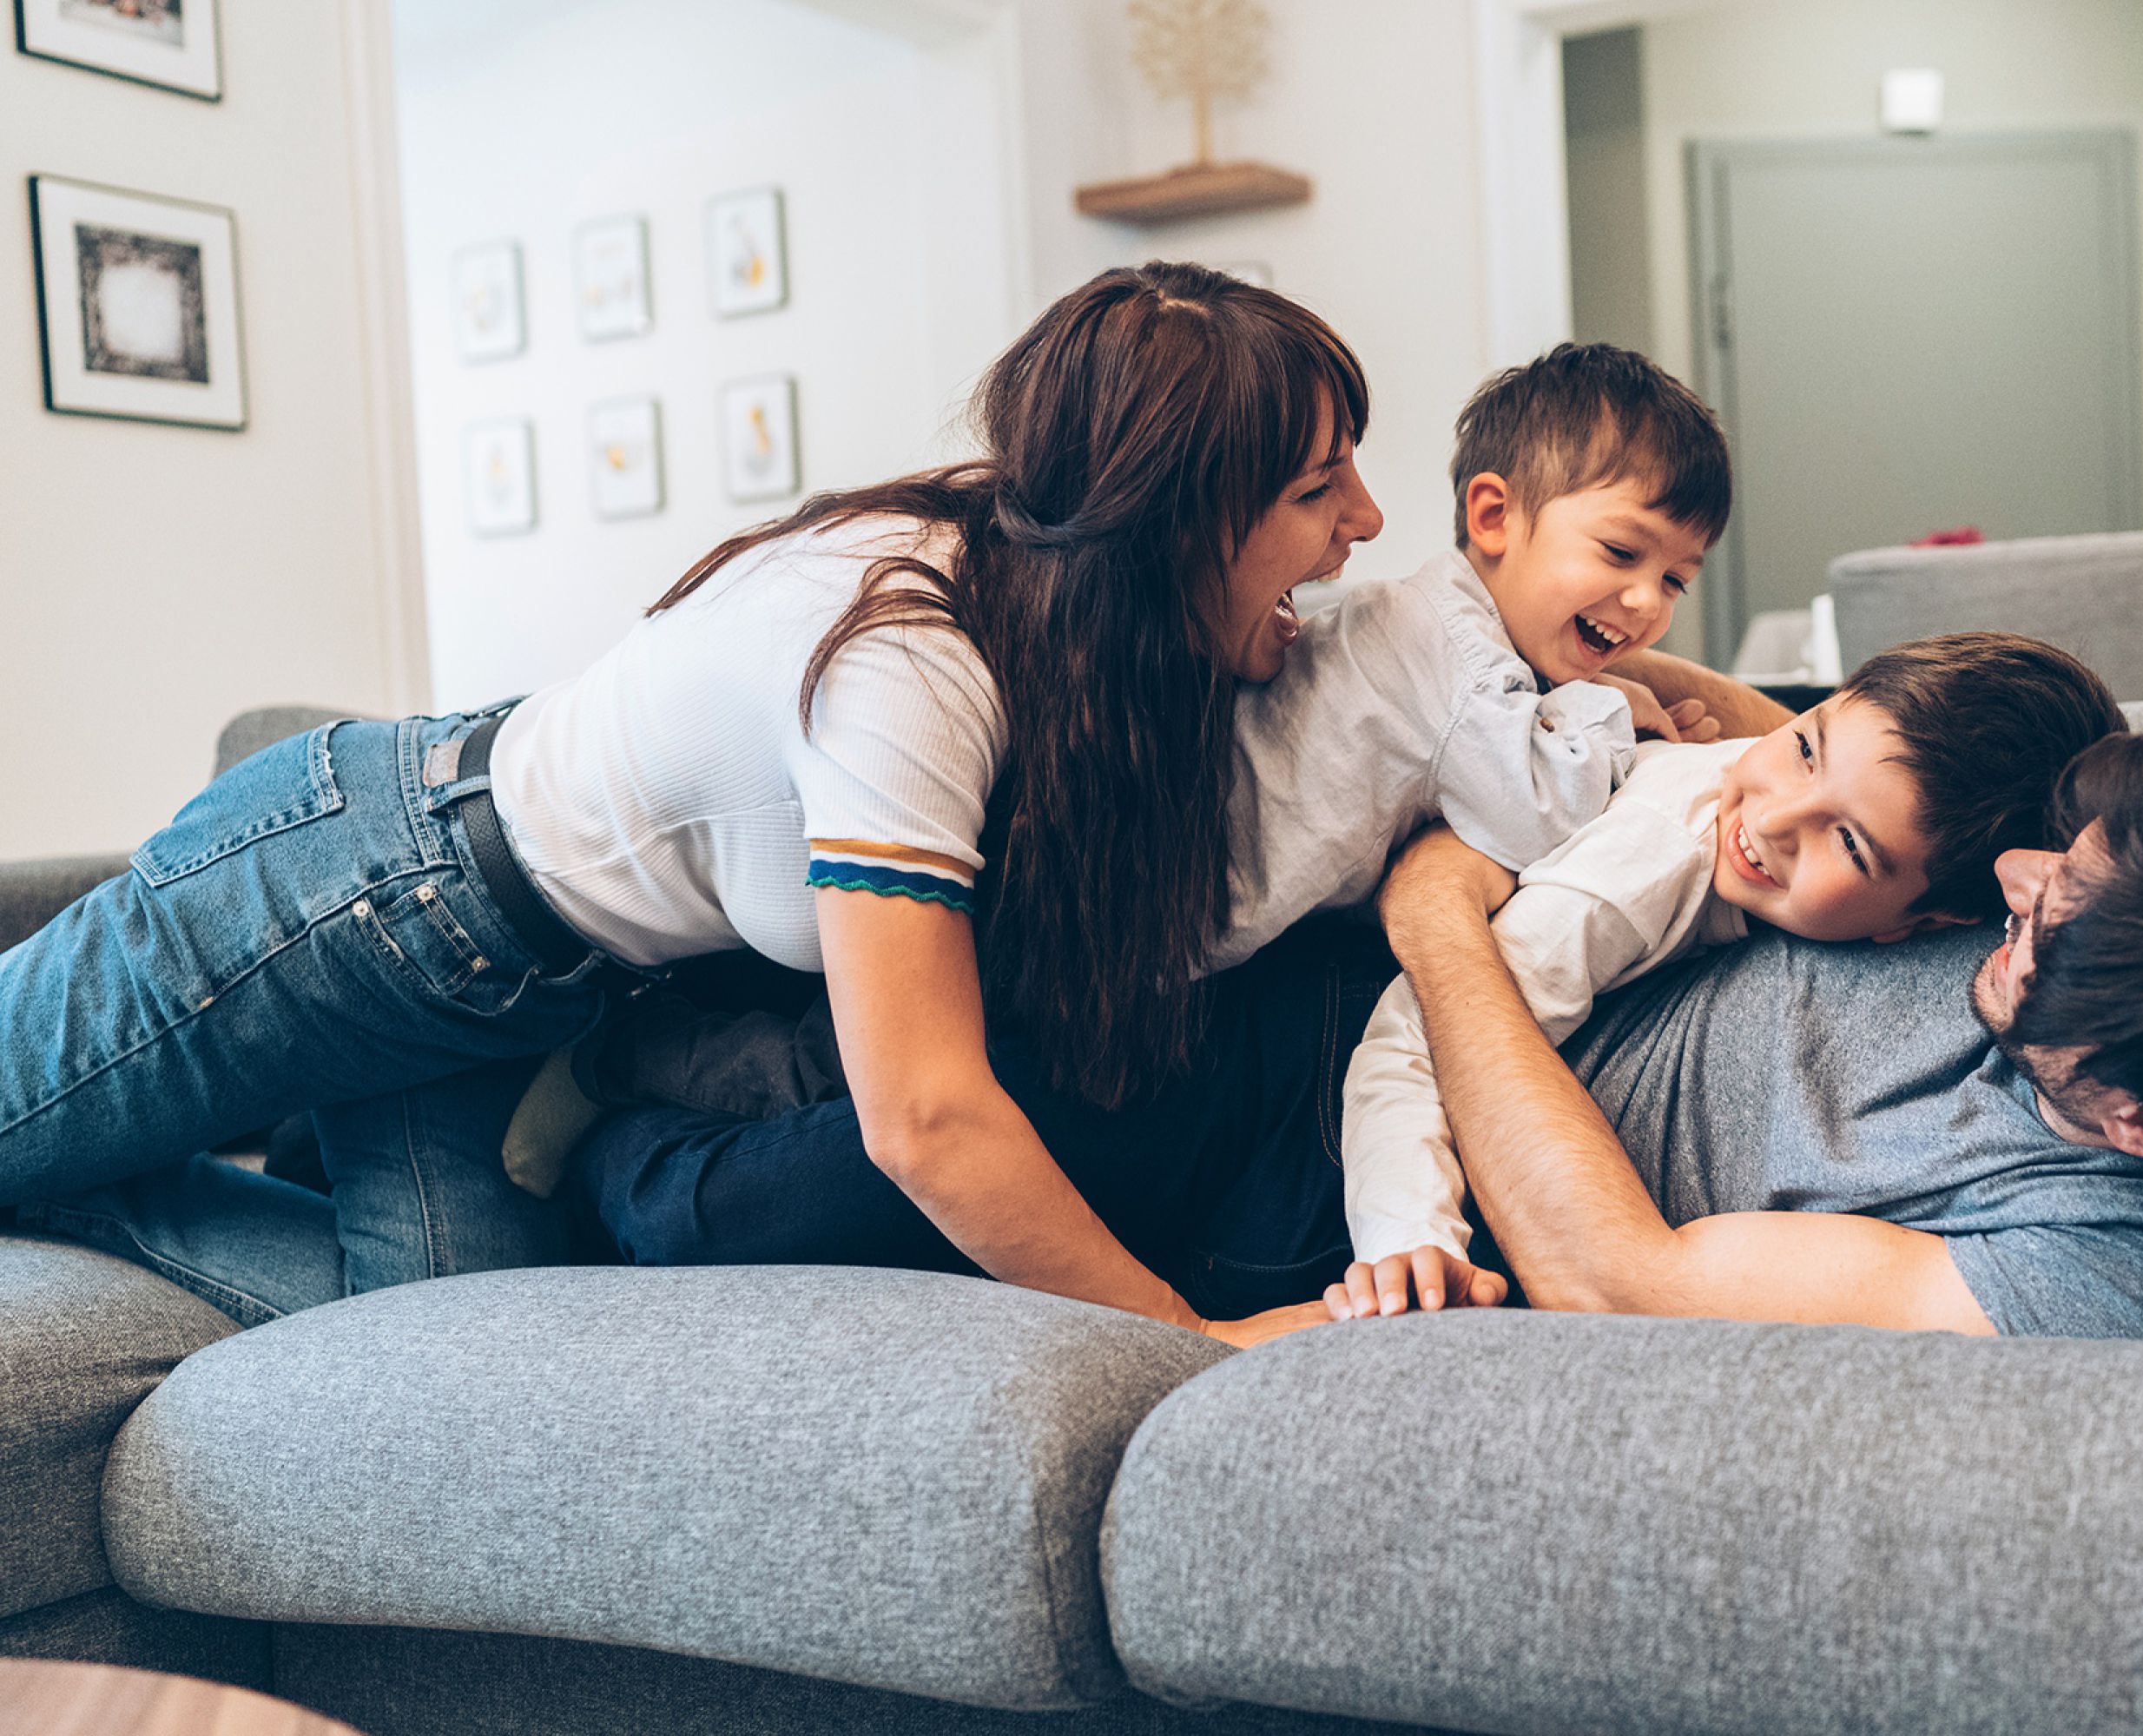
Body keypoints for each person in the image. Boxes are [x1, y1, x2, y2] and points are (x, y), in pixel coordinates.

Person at [0, 261, 1391, 1341]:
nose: (1368, 519)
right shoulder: (908, 660)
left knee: (439, 1351)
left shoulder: (1047, 589)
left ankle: (69, 1185)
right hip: (351, 895)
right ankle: (66, 1168)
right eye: (1320, 484)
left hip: (506, 993)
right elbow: (925, 1117)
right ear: (1166, 519)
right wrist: (1187, 1333)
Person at [547, 344, 1789, 1251]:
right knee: (851, 1065)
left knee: (850, 1048)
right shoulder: (1462, 671)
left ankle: (637, 1060)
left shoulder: (1417, 619)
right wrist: (1616, 714)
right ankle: (631, 1071)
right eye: (1622, 556)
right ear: (1494, 516)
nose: (1644, 605)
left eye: (1676, 579)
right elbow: (1537, 816)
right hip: (1130, 918)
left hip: (1139, 907)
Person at [1329, 718, 2143, 1336]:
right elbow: (1857, 748)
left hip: (1386, 1174)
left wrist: (1438, 928)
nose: (2012, 870)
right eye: (2063, 855)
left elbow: (1621, 1283)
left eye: (2045, 919)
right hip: (1514, 919)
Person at [1342, 632, 2127, 1302]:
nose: (1771, 819)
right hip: (1360, 1105)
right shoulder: (1644, 868)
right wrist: (1407, 1232)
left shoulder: (1965, 864)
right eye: (1803, 745)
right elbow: (1411, 1028)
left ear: (1929, 924)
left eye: (1847, 843)